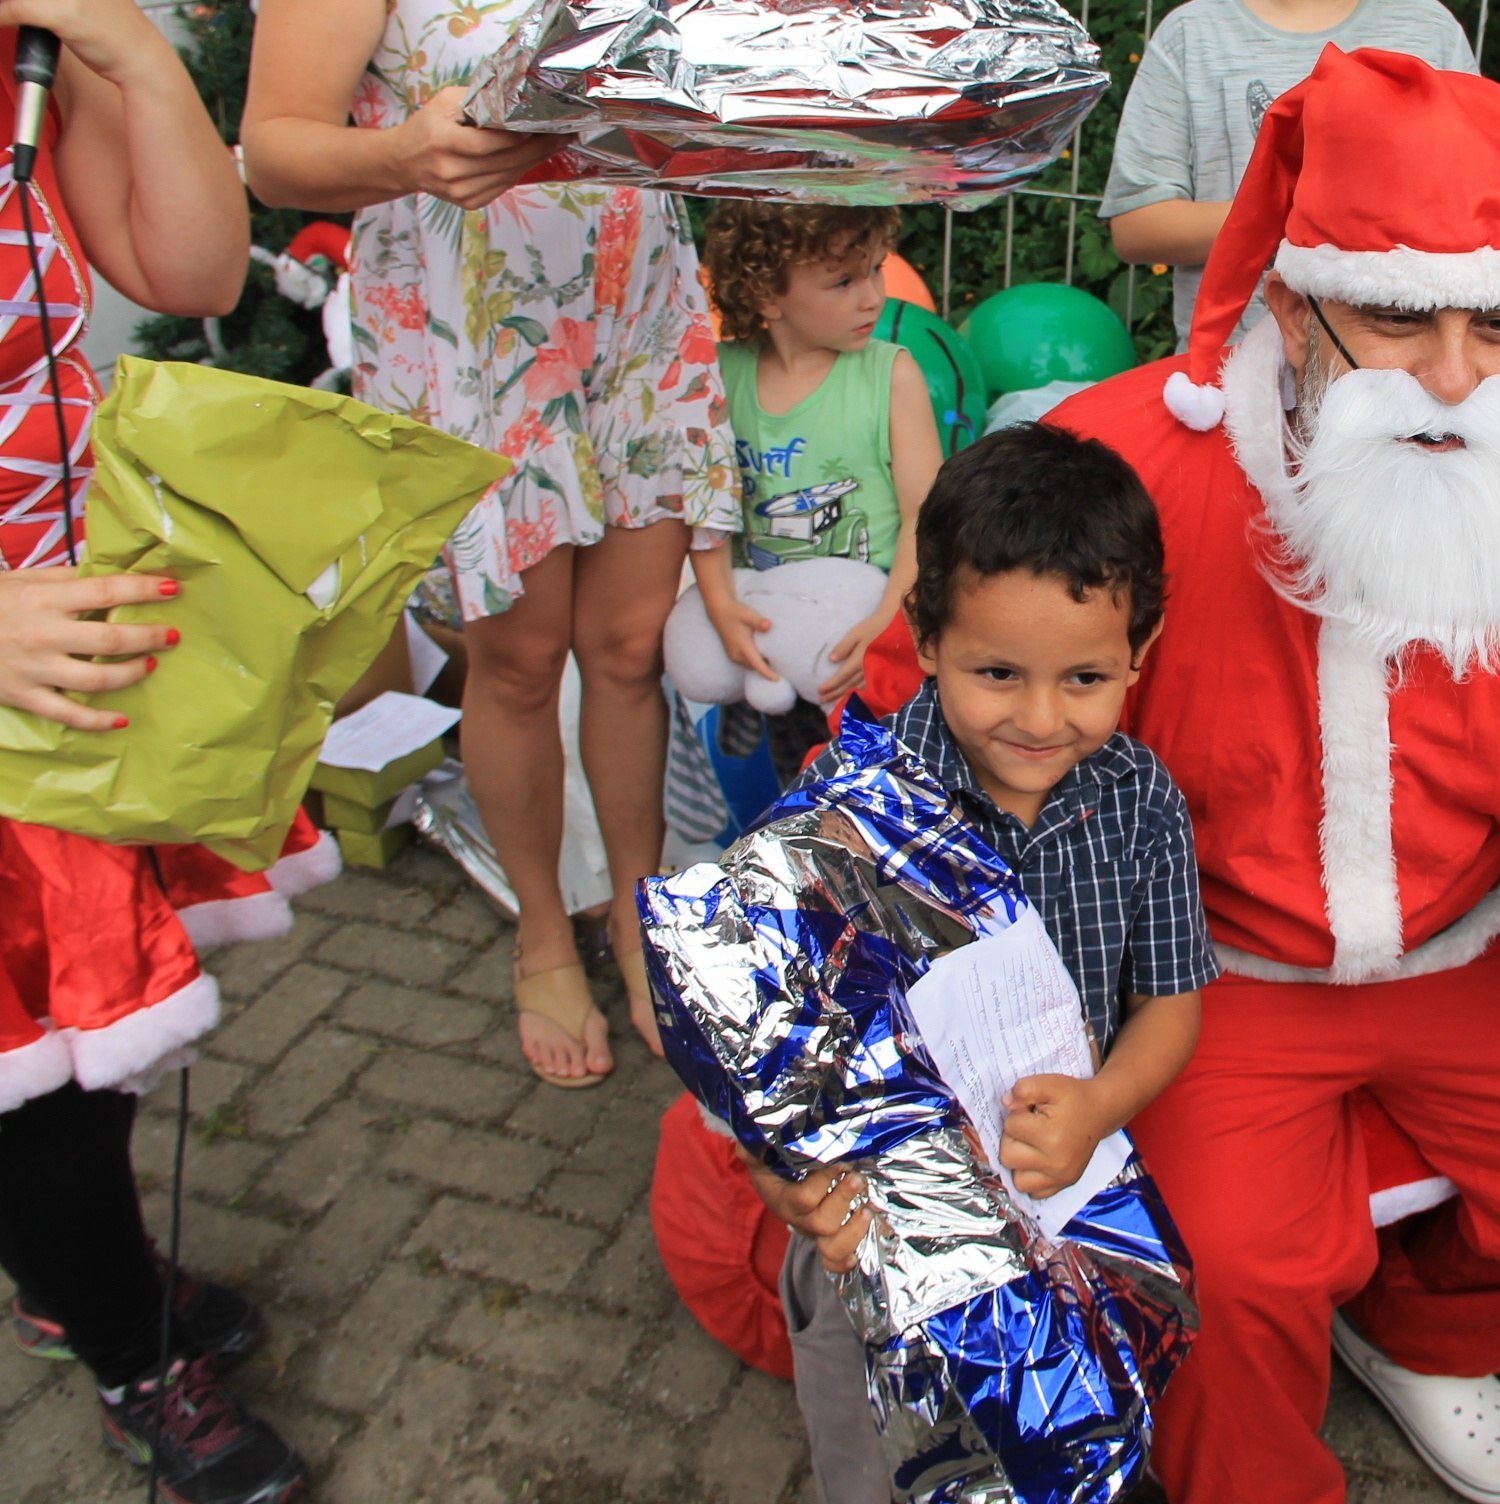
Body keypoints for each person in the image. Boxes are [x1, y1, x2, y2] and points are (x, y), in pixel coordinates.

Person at [863, 46, 1500, 1504]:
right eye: (1401, 315)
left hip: (1478, 937)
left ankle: (1417, 1332)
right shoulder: (1117, 465)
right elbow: (916, 720)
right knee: (1215, 1264)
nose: (1459, 377)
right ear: (1291, 296)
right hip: (1208, 968)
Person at [241, 0, 742, 1082]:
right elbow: (274, 151)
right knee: (517, 662)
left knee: (626, 650)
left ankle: (637, 920)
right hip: (469, 323)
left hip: (635, 307)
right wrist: (403, 153)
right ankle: (544, 933)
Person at [745, 423, 1216, 1504]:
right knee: (884, 1468)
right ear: (926, 636)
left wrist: (1101, 1105)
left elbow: (1171, 1004)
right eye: (998, 671)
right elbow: (766, 1054)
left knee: (1076, 1452)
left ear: (1141, 647)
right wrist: (790, 1187)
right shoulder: (853, 814)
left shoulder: (1141, 802)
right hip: (878, 1240)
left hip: (1066, 1214)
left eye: (1087, 676)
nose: (1041, 718)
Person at [0, 5, 308, 1502]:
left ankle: (85, 1280)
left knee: (101, 1046)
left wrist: (122, 42)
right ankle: (129, 1359)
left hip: (71, 666)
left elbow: (189, 270)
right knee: (33, 1101)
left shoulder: (26, 77)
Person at [693, 199, 941, 768]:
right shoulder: (719, 375)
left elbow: (926, 514)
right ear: (764, 294)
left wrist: (889, 621)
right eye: (843, 281)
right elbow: (706, 505)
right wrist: (720, 604)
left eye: (877, 268)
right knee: (793, 785)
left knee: (877, 789)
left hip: (865, 634)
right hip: (772, 633)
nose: (873, 296)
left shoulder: (890, 373)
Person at [1100, 0, 1474, 350]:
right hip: (1227, 372)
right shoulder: (1191, 32)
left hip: (1403, 367)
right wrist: (1316, 217)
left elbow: (1475, 210)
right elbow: (1138, 227)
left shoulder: (1429, 29)